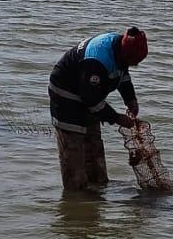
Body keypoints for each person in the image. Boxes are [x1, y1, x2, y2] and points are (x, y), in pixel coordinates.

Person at [48, 26, 148, 191]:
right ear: (125, 54)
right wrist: (117, 118)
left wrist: (131, 100)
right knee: (74, 159)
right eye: (133, 62)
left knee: (94, 154)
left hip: (88, 93)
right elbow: (91, 100)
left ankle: (97, 195)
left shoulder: (120, 47)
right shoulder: (97, 60)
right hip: (66, 97)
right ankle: (76, 202)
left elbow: (122, 76)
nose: (135, 65)